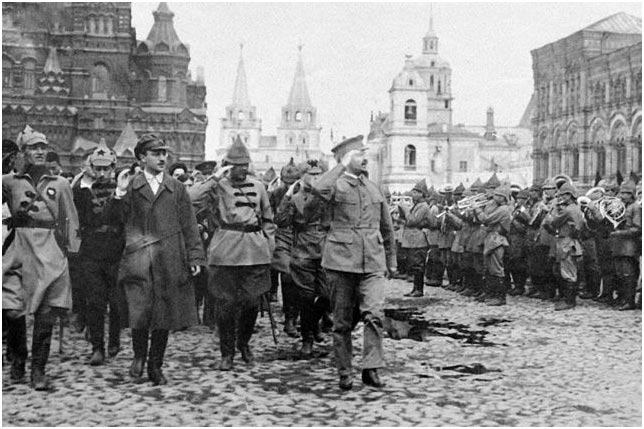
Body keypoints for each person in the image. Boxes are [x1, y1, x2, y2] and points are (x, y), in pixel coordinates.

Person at [110, 133, 205, 385]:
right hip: (139, 258)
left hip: (169, 258)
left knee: (164, 313)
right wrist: (119, 192)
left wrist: (195, 256)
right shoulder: (131, 185)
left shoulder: (177, 188)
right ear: (142, 158)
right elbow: (117, 220)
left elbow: (189, 224)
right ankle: (139, 355)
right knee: (140, 310)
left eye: (164, 153)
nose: (162, 158)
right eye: (156, 154)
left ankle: (155, 364)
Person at [311, 135, 396, 390]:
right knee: (342, 321)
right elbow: (318, 190)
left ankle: (371, 367)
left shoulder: (373, 187)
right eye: (359, 155)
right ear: (346, 159)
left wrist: (391, 259)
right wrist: (340, 166)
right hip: (341, 262)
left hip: (372, 261)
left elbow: (386, 226)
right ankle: (344, 370)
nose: (365, 158)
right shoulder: (334, 185)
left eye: (364, 154)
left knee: (374, 314)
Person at [2, 126, 80, 390]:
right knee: (12, 310)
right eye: (33, 148)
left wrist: (72, 252)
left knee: (46, 313)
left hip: (49, 249)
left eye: (42, 147)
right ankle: (18, 357)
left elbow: (71, 219)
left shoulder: (60, 184)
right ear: (22, 152)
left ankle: (38, 370)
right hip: (18, 248)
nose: (39, 152)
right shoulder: (8, 182)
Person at [204, 136, 276, 370]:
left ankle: (243, 343)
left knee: (252, 303)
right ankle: (227, 353)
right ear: (227, 165)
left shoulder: (259, 186)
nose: (242, 169)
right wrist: (214, 178)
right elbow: (193, 198)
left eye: (245, 164)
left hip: (254, 251)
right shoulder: (217, 186)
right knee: (225, 305)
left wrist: (269, 246)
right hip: (226, 249)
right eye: (237, 165)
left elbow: (268, 219)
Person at [72, 143, 126, 365]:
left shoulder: (122, 189)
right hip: (91, 251)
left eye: (106, 168)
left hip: (117, 251)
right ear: (91, 168)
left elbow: (124, 217)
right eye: (98, 168)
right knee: (95, 301)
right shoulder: (82, 190)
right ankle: (97, 347)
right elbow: (79, 216)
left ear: (113, 168)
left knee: (116, 301)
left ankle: (114, 339)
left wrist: (119, 194)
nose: (102, 173)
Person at [275, 159, 329, 357]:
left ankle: (314, 325)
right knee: (306, 298)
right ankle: (307, 338)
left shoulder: (327, 197)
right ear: (302, 177)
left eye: (318, 174)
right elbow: (281, 221)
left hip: (325, 251)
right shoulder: (296, 198)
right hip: (303, 252)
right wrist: (288, 195)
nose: (315, 178)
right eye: (311, 174)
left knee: (326, 295)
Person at [269, 159, 302, 336]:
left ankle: (299, 315)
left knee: (301, 278)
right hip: (282, 237)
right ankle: (289, 318)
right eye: (286, 182)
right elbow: (269, 215)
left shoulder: (305, 193)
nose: (289, 185)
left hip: (301, 238)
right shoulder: (276, 193)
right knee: (288, 275)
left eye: (293, 182)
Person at [542, 183, 584, 311]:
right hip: (570, 240)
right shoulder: (576, 208)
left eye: (565, 195)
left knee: (568, 272)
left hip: (566, 240)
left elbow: (555, 222)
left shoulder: (568, 210)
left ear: (570, 195)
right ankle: (568, 299)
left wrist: (549, 215)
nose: (562, 197)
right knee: (569, 270)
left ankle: (569, 301)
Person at [473, 185, 512, 306]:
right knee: (489, 269)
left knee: (496, 269)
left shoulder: (504, 209)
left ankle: (500, 297)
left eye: (499, 195)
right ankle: (490, 294)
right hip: (491, 238)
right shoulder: (496, 206)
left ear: (504, 197)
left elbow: (486, 219)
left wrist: (477, 209)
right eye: (495, 195)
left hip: (497, 239)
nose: (495, 197)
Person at [608, 181, 641, 310]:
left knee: (629, 275)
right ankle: (622, 298)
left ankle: (629, 301)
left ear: (631, 194)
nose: (622, 196)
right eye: (621, 193)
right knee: (620, 273)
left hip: (629, 246)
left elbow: (637, 228)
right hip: (619, 246)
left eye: (626, 193)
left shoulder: (635, 208)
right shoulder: (620, 207)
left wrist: (620, 233)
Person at [399, 179, 431, 297]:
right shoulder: (417, 205)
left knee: (418, 265)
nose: (413, 194)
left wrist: (406, 210)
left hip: (418, 240)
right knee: (414, 265)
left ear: (422, 194)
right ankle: (415, 289)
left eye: (416, 192)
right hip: (413, 240)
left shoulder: (423, 206)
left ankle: (419, 290)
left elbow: (413, 221)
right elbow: (407, 221)